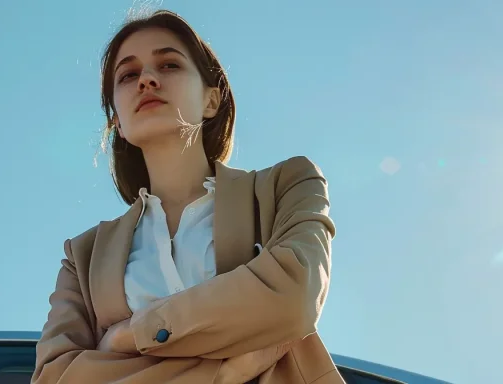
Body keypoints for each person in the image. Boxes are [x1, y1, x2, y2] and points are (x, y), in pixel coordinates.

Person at [32, 9, 341, 384]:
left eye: (169, 65)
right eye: (128, 75)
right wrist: (225, 373)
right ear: (117, 122)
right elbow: (55, 377)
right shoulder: (83, 259)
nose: (146, 79)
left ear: (211, 100)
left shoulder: (288, 185)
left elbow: (293, 298)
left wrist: (130, 336)